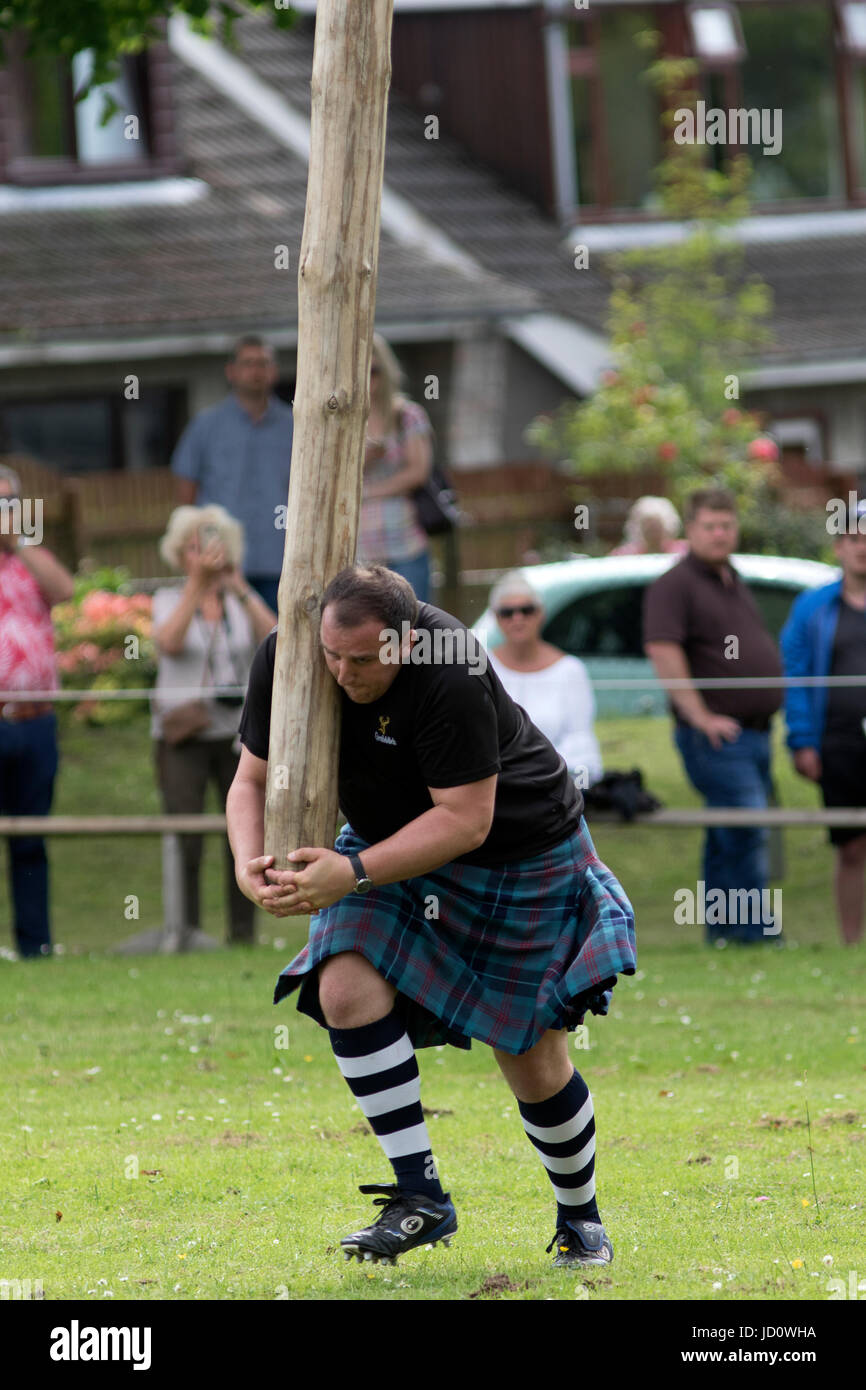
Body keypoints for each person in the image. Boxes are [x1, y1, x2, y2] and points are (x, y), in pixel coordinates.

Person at [227, 564, 636, 1269]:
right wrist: (246, 862)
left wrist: (350, 872)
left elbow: (466, 821)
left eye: (363, 659)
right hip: (390, 842)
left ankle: (581, 1218)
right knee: (344, 986)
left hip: (516, 851)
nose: (342, 673)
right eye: (332, 653)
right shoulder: (290, 657)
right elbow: (251, 778)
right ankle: (420, 1199)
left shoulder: (453, 670)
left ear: (407, 641)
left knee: (530, 1054)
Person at [643, 488, 783, 944]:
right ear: (691, 529)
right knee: (746, 827)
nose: (720, 534)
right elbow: (663, 651)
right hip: (717, 737)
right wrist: (701, 717)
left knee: (729, 833)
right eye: (710, 526)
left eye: (727, 525)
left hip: (755, 735)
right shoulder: (675, 584)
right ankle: (753, 935)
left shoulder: (731, 577)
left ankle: (724, 935)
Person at [152, 505, 277, 945]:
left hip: (238, 734)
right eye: (193, 547)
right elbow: (169, 643)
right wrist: (197, 586)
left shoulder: (238, 600)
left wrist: (237, 587)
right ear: (178, 554)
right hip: (184, 734)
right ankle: (184, 931)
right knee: (185, 835)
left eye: (210, 545)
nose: (202, 554)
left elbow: (277, 640)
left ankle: (243, 934)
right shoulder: (167, 598)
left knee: (243, 836)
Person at [781, 501, 866, 945]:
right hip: (839, 745)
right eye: (854, 539)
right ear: (839, 547)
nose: (862, 548)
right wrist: (802, 741)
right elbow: (794, 677)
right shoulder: (813, 607)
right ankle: (851, 942)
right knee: (851, 845)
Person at [0, 465, 74, 958]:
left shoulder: (31, 559)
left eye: (7, 502)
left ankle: (35, 947)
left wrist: (19, 542)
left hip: (36, 722)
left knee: (31, 839)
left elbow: (65, 590)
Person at [170, 335, 293, 613]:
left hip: (282, 562)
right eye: (248, 363)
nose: (256, 371)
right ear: (232, 371)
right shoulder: (206, 425)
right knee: (230, 648)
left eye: (263, 363)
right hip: (222, 563)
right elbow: (186, 495)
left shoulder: (295, 425)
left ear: (274, 371)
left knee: (278, 646)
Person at [485, 570, 603, 787]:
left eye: (526, 610)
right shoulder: (481, 667)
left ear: (541, 614)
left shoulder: (570, 669)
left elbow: (580, 740)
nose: (517, 618)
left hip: (554, 785)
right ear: (496, 618)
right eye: (507, 612)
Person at [358, 333, 434, 601]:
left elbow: (418, 471)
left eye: (374, 371)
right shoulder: (341, 418)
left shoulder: (406, 415)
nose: (368, 379)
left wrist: (369, 492)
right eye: (360, 370)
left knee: (413, 629)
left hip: (405, 543)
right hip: (360, 551)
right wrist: (367, 459)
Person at [610, 496, 688, 557]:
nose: (652, 531)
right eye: (647, 525)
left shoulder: (683, 551)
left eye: (656, 526)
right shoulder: (626, 554)